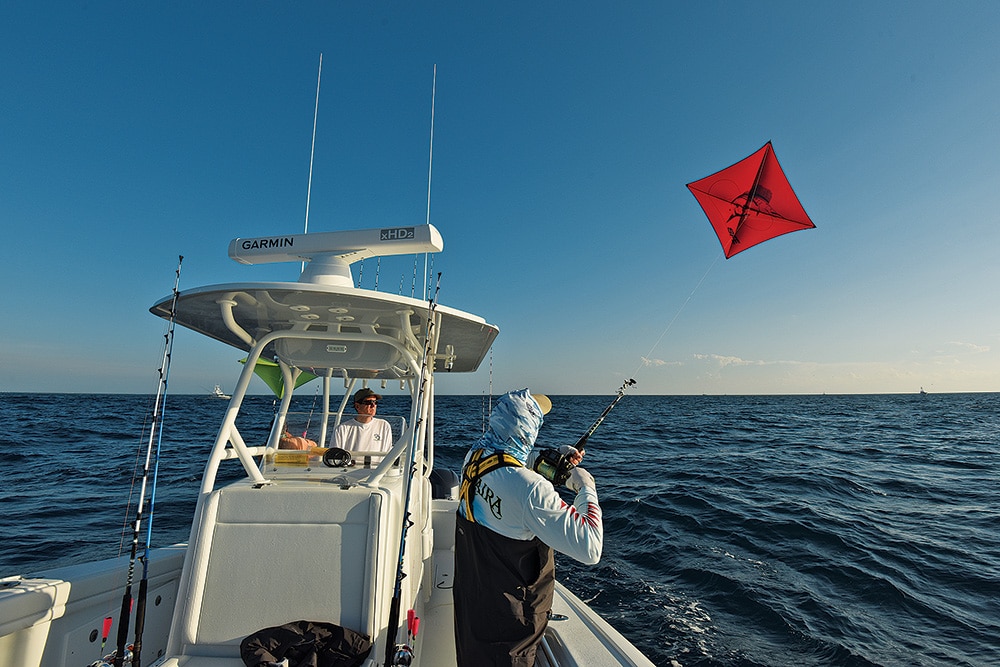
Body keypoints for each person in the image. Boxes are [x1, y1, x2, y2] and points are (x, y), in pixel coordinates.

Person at [453, 389, 602, 667]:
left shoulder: (475, 455)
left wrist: (552, 457)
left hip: (473, 602)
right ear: (528, 428)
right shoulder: (531, 490)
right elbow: (590, 547)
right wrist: (585, 487)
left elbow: (510, 460)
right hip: (510, 629)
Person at [333, 388, 393, 454]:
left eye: (375, 402)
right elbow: (336, 456)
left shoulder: (384, 425)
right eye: (368, 402)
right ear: (357, 406)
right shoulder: (342, 429)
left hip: (379, 464)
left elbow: (388, 452)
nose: (373, 406)